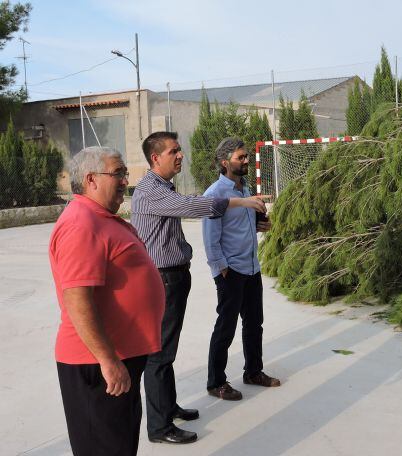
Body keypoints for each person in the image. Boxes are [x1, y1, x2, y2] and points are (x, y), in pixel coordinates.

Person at [131, 131, 268, 444]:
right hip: (162, 278)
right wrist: (239, 202)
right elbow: (194, 207)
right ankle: (160, 427)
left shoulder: (164, 186)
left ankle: (169, 407)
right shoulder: (151, 190)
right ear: (156, 158)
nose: (181, 155)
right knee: (159, 354)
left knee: (168, 350)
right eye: (174, 151)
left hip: (175, 276)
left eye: (179, 150)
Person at [49, 147, 165, 455]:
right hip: (97, 364)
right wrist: (108, 359)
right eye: (118, 173)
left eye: (125, 173)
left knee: (120, 443)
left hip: (117, 358)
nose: (126, 180)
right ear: (91, 180)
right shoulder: (81, 224)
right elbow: (77, 299)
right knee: (104, 447)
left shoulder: (99, 218)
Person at [203, 137, 281, 401]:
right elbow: (211, 239)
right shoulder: (215, 194)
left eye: (247, 156)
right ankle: (216, 382)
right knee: (225, 327)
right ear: (225, 163)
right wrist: (221, 270)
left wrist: (261, 225)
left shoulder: (246, 190)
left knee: (254, 324)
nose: (246, 160)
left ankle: (253, 372)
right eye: (241, 157)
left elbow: (241, 225)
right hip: (231, 271)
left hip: (251, 268)